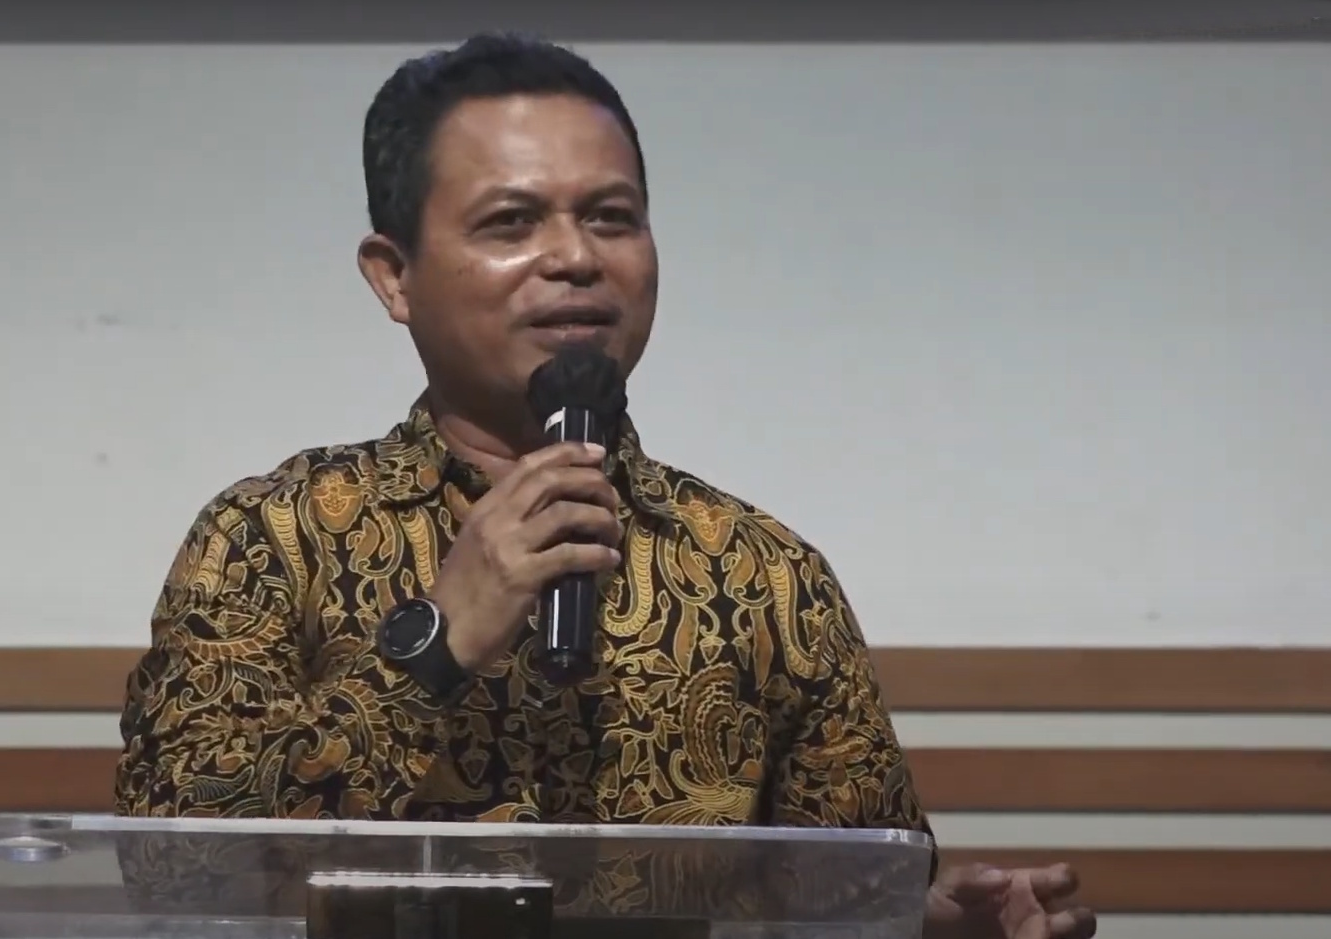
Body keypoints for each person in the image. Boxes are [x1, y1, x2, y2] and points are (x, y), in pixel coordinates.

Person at [114, 32, 1097, 939]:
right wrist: (433, 645)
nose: (577, 258)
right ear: (394, 276)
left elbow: (848, 894)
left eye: (611, 219)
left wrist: (936, 927)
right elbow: (174, 871)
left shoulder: (764, 575)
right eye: (511, 221)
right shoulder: (271, 537)